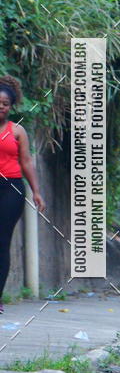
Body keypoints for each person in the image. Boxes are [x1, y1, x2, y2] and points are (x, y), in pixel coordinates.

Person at [0, 75, 46, 313]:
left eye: (5, 103)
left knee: (2, 241)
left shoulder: (17, 131)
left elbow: (26, 162)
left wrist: (37, 192)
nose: (1, 106)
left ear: (11, 106)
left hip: (11, 189)